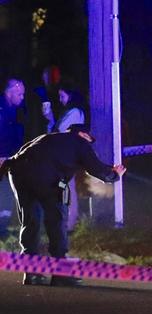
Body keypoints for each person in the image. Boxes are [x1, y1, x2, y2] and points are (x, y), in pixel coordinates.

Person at [0, 124, 126, 286]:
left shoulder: (48, 138)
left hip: (17, 172)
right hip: (46, 176)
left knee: (30, 221)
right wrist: (115, 174)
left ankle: (31, 273)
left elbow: (22, 154)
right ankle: (60, 273)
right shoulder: (79, 142)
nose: (90, 142)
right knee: (57, 220)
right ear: (81, 134)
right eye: (89, 138)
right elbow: (95, 168)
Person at [42, 84, 86, 231]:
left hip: (68, 156)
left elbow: (58, 132)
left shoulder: (75, 112)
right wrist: (50, 119)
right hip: (62, 156)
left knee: (67, 187)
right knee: (62, 187)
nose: (60, 100)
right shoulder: (68, 112)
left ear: (71, 95)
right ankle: (65, 221)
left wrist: (51, 119)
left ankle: (70, 223)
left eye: (63, 96)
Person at [0, 78, 26, 236]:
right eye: (19, 93)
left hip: (9, 157)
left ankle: (3, 227)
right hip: (2, 157)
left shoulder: (15, 110)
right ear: (9, 92)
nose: (22, 97)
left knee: (8, 192)